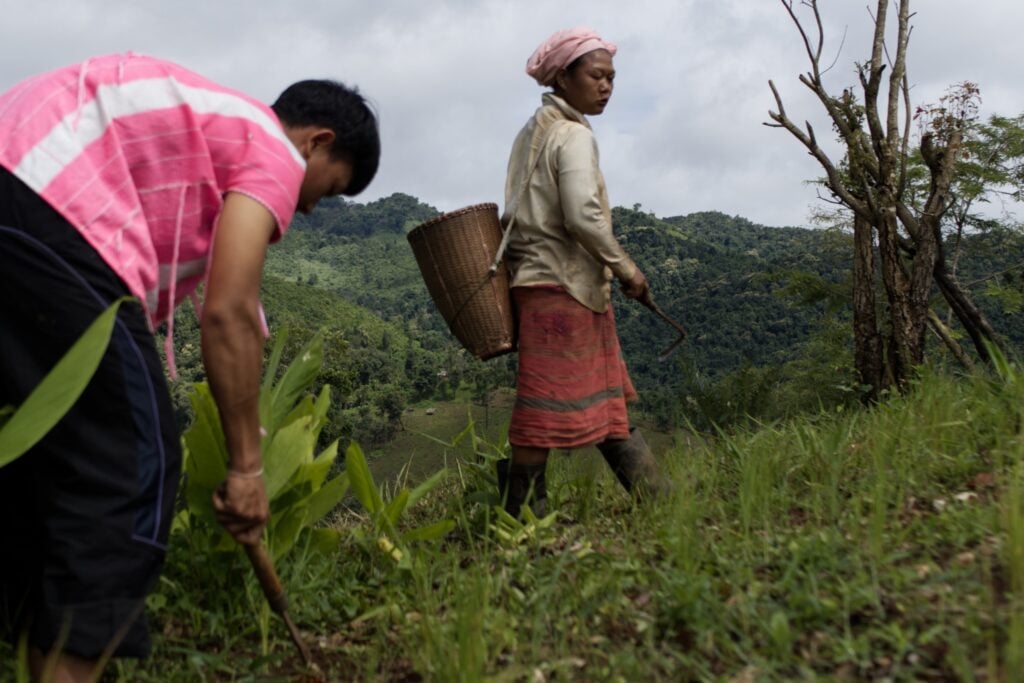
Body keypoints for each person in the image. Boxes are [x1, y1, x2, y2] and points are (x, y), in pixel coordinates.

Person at [0, 52, 380, 681]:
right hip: (54, 203)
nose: (311, 209)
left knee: (39, 451)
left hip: (21, 185)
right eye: (331, 188)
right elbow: (229, 312)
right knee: (129, 463)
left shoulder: (211, 125)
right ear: (318, 141)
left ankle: (32, 648)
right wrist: (246, 469)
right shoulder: (271, 147)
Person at [498, 27, 667, 518]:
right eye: (596, 75)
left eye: (612, 77)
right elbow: (581, 215)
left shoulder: (534, 129)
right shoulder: (571, 134)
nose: (607, 86)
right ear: (564, 77)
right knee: (542, 403)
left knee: (607, 400)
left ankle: (656, 498)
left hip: (544, 282)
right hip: (562, 285)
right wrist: (628, 270)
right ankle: (521, 516)